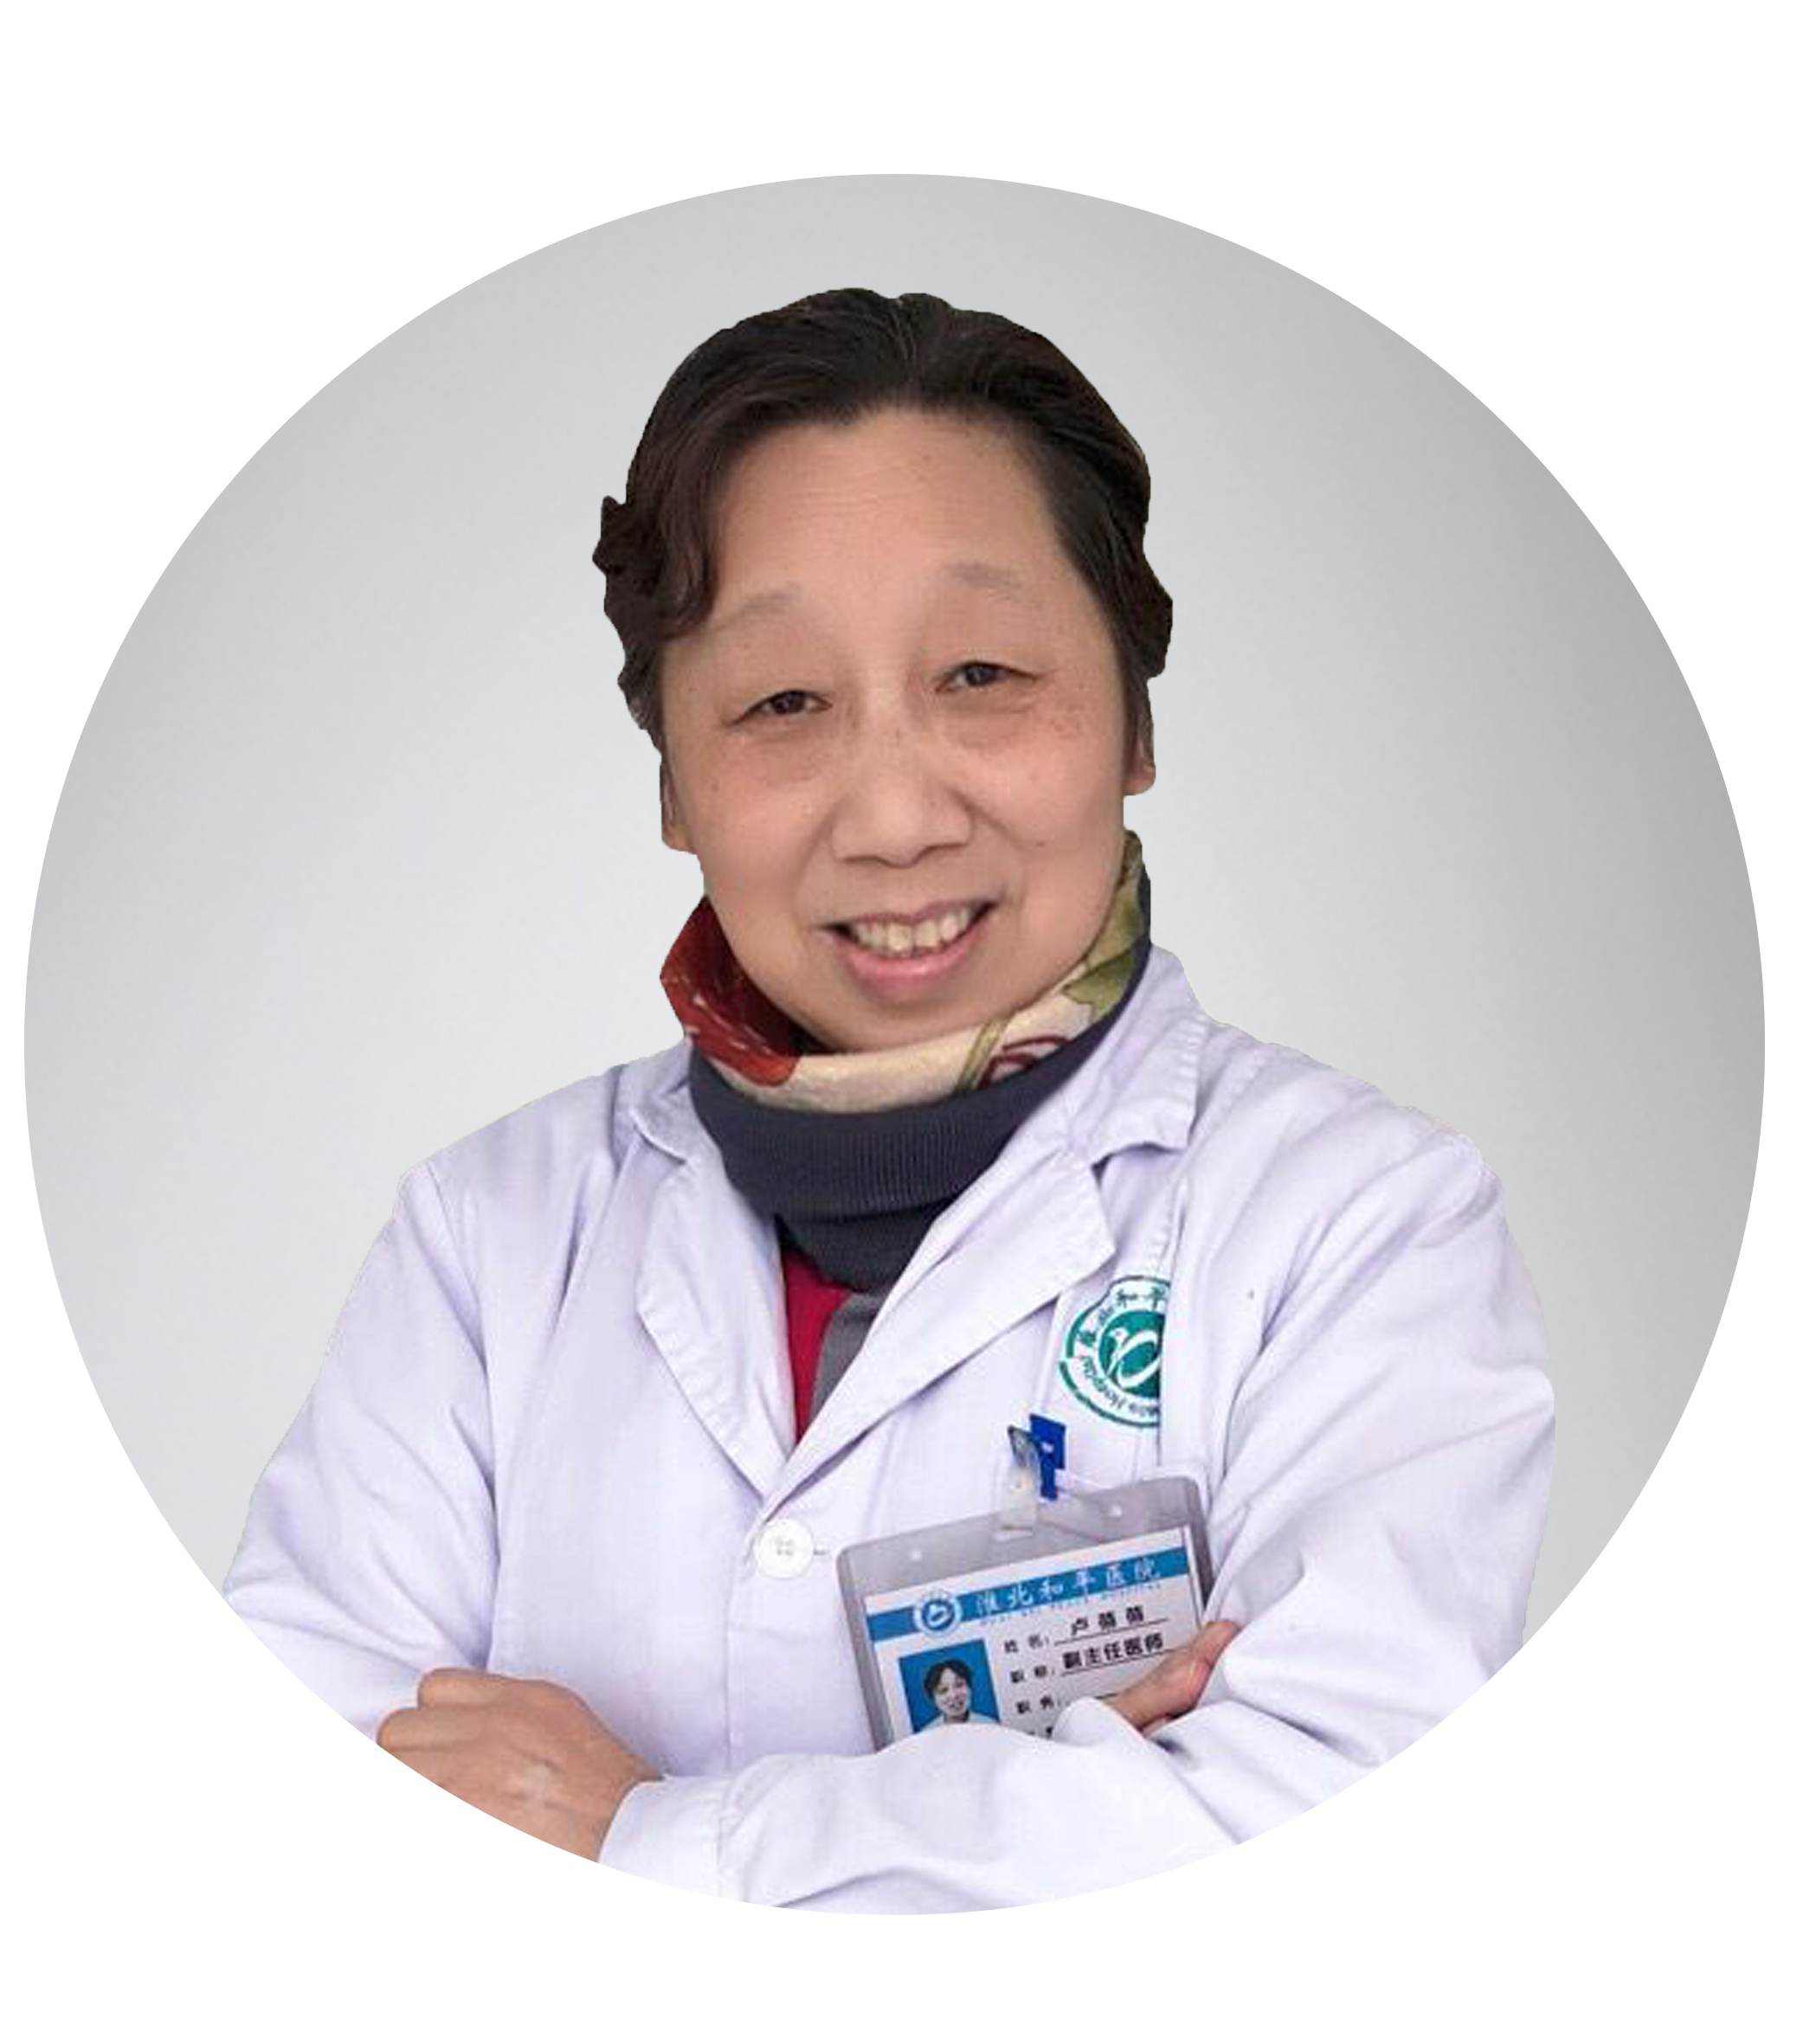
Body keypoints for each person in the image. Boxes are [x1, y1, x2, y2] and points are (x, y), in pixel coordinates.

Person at [220, 287, 1555, 1915]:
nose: (895, 813)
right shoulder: (485, 1246)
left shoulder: (1354, 1227)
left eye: (980, 672)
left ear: (1133, 721)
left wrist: (632, 1851)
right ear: (671, 781)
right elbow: (336, 1911)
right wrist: (1061, 1845)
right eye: (782, 703)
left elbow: (1329, 1880)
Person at [920, 1660, 999, 1729]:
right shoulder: (927, 1734)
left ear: (970, 1688)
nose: (953, 1695)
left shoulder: (990, 1726)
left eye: (959, 1685)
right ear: (933, 1699)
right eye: (943, 1690)